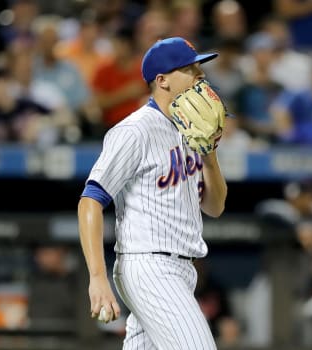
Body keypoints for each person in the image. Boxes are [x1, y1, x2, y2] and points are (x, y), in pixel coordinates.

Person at [78, 37, 228, 349]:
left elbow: (215, 207)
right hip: (150, 266)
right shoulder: (135, 131)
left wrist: (209, 154)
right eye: (191, 71)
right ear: (162, 81)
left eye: (201, 71)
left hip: (182, 269)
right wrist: (97, 277)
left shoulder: (192, 128)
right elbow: (90, 200)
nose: (201, 79)